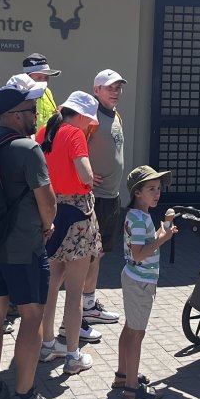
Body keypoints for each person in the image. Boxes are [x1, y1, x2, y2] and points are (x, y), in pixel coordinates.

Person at [0, 78, 61, 399]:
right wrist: (47, 225)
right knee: (31, 315)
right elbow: (48, 203)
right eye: (31, 110)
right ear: (14, 115)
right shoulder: (28, 149)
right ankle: (25, 396)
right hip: (23, 247)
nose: (36, 114)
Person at [37, 91, 102, 372]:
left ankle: (47, 344)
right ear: (83, 116)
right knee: (75, 291)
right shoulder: (74, 134)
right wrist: (89, 181)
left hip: (49, 210)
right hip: (77, 214)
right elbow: (85, 173)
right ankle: (73, 356)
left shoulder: (43, 132)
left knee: (51, 285)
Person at [115, 165, 176, 399]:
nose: (157, 193)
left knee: (130, 328)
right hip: (140, 281)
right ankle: (131, 387)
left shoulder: (138, 215)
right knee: (137, 334)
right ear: (137, 192)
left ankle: (123, 374)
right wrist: (163, 237)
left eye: (158, 188)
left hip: (133, 278)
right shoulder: (139, 219)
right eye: (151, 188)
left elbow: (140, 246)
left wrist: (161, 231)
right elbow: (139, 253)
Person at [81, 69, 127, 328]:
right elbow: (72, 150)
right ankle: (80, 309)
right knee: (87, 256)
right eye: (109, 87)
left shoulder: (116, 115)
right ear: (96, 90)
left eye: (118, 87)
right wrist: (84, 175)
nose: (115, 92)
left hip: (112, 197)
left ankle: (88, 305)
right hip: (93, 198)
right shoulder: (90, 118)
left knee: (98, 254)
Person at [22, 53, 62, 130]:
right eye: (39, 77)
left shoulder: (47, 91)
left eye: (46, 77)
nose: (43, 81)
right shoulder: (19, 94)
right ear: (26, 77)